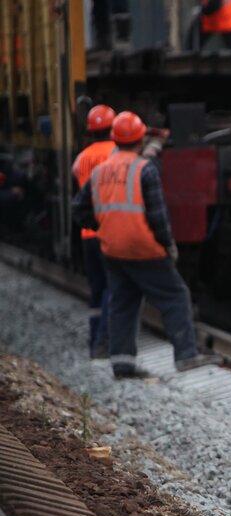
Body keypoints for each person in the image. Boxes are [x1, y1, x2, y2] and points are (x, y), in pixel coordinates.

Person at [73, 111, 220, 379]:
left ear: (115, 140)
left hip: (112, 248)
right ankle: (186, 354)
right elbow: (158, 215)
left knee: (123, 302)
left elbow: (79, 209)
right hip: (143, 248)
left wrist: (101, 227)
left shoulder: (100, 170)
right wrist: (167, 245)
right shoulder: (144, 169)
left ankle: (122, 363)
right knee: (176, 296)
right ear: (141, 139)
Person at [72, 105, 119, 359]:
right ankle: (103, 342)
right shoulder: (116, 153)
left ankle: (93, 341)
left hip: (88, 234)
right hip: (109, 231)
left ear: (90, 132)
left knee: (97, 288)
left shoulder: (81, 158)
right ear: (112, 130)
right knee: (114, 287)